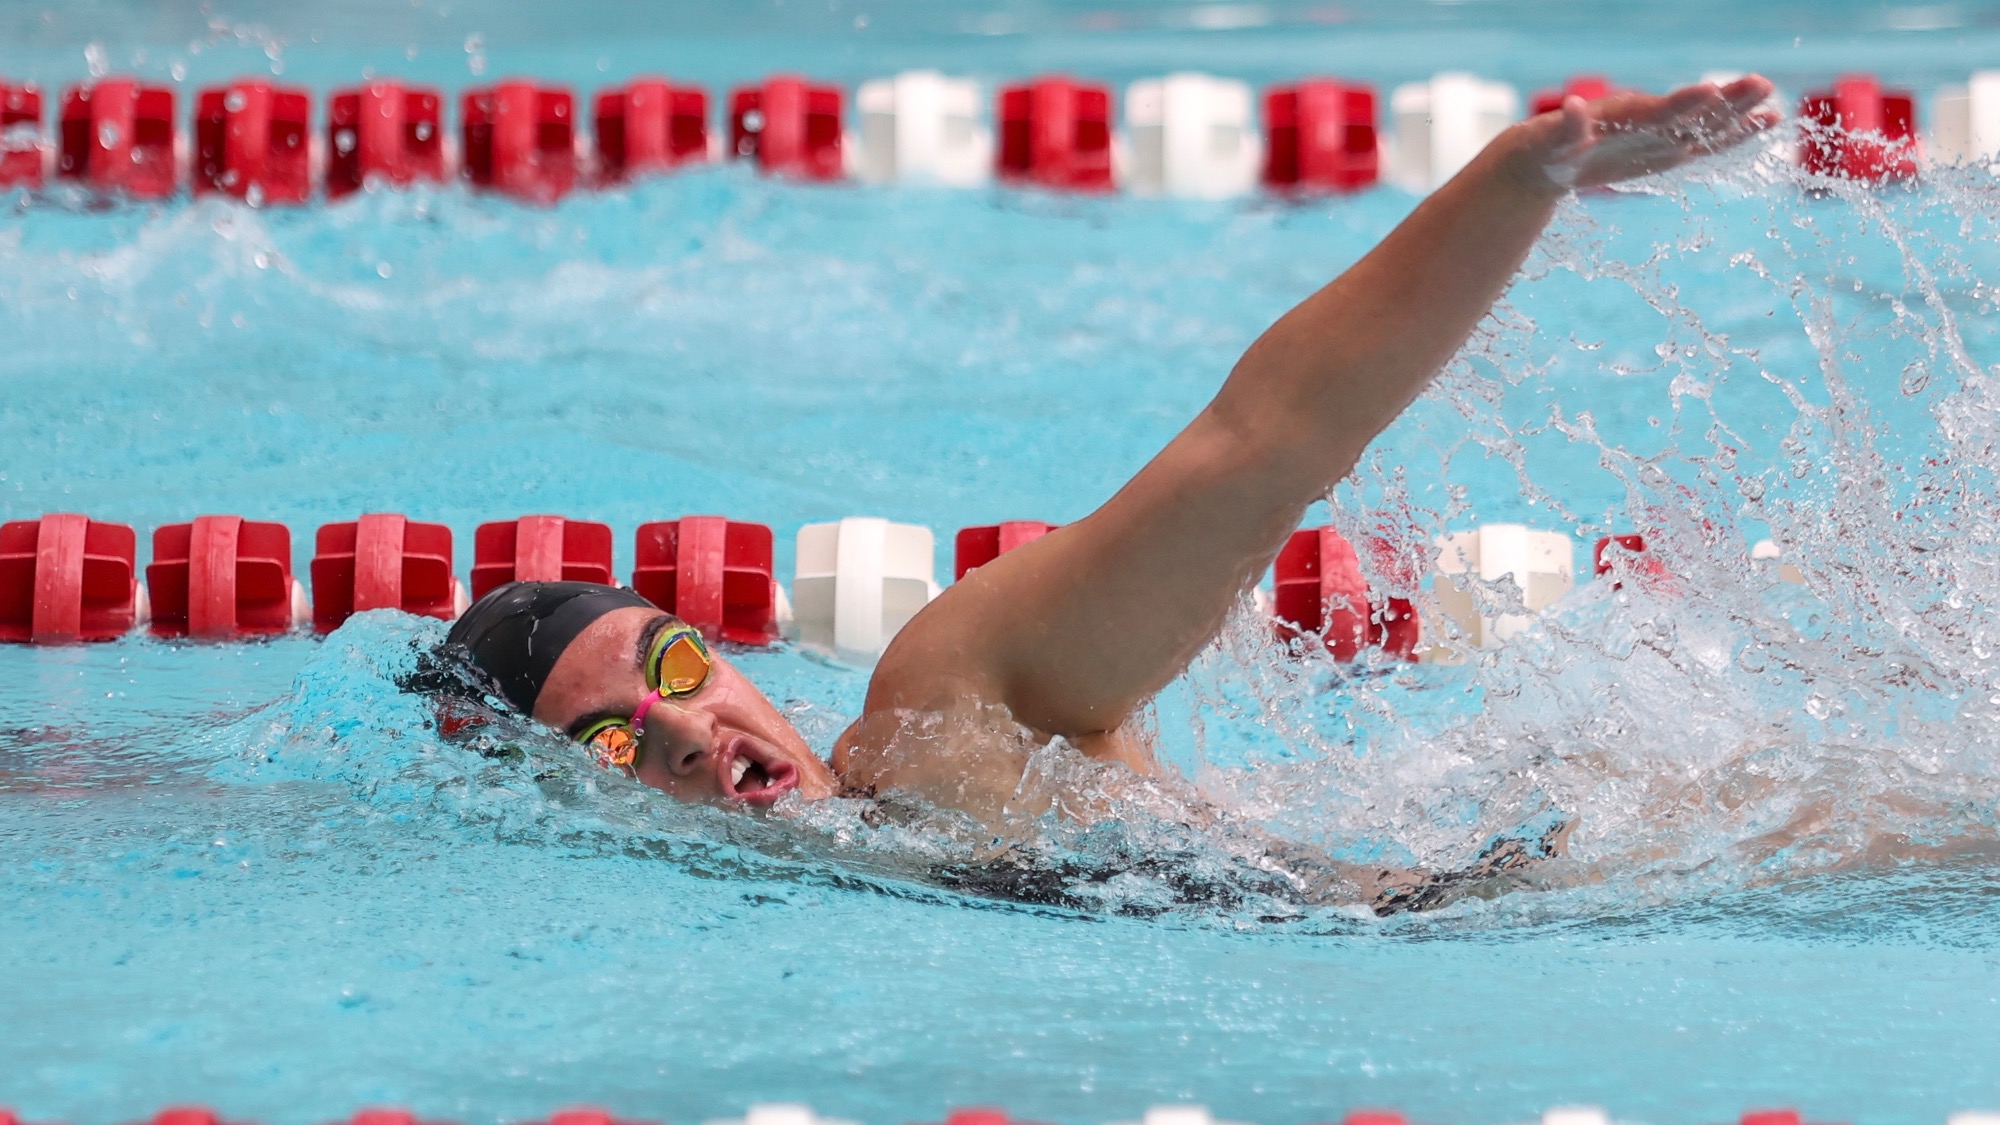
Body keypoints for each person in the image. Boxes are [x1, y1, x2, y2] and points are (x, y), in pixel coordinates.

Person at [436, 77, 1780, 911]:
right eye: (612, 745)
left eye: (672, 662)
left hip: (1539, 903)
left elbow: (1260, 443)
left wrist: (1516, 181)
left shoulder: (940, 707)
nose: (682, 730)